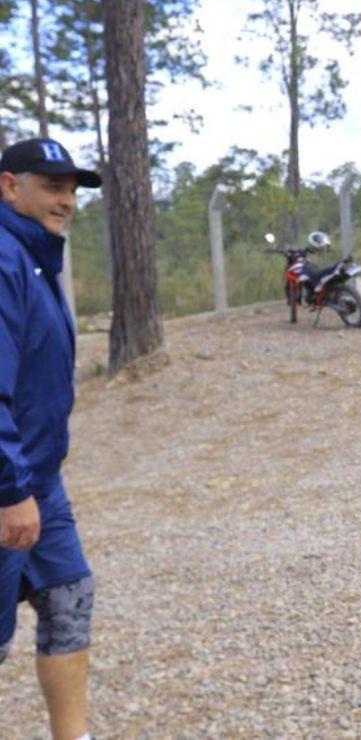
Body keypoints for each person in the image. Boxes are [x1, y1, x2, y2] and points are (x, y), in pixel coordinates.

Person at [0, 138, 102, 740]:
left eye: (70, 189)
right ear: (10, 186)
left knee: (69, 598)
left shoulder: (35, 256)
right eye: (51, 186)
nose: (65, 200)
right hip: (8, 484)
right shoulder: (5, 259)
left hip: (38, 481)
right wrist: (9, 489)